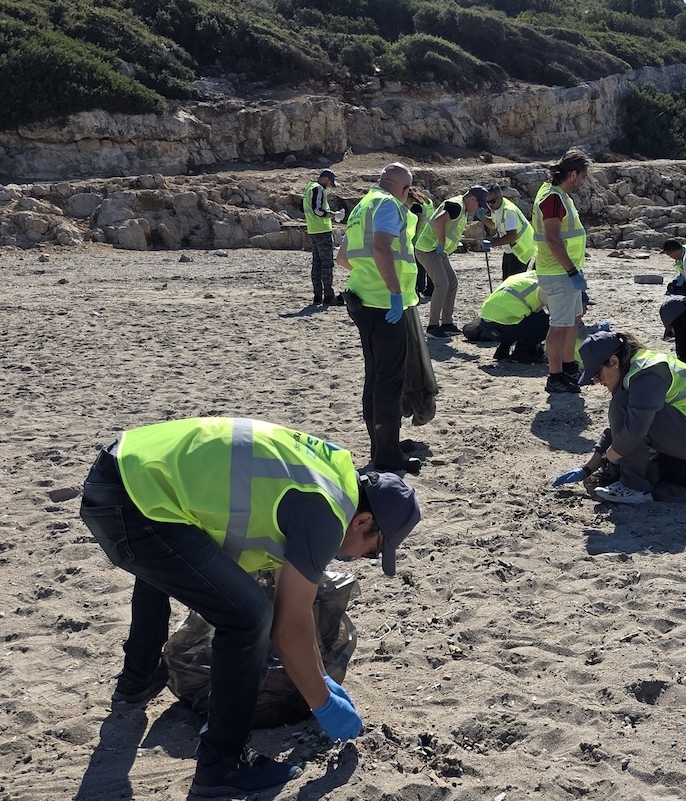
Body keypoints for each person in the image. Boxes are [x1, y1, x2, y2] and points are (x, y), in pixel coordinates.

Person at [77, 417, 422, 797]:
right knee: (247, 619)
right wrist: (322, 702)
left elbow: (294, 606)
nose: (363, 558)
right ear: (364, 521)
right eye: (373, 552)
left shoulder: (330, 473)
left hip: (124, 471)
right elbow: (287, 626)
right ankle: (221, 767)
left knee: (168, 560)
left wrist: (318, 672)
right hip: (129, 504)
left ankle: (138, 678)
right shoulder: (326, 512)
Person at [552, 331, 686, 504]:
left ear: (613, 361)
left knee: (623, 408)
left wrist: (612, 456)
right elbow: (617, 429)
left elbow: (634, 430)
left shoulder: (647, 372)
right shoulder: (634, 369)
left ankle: (634, 488)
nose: (598, 382)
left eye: (597, 375)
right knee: (626, 418)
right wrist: (588, 467)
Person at [335, 162, 422, 473]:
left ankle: (383, 444)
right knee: (388, 381)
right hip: (385, 305)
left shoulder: (363, 206)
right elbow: (382, 249)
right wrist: (394, 291)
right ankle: (386, 456)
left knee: (375, 377)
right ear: (403, 189)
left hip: (363, 300)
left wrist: (369, 276)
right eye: (408, 190)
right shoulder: (387, 205)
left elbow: (343, 258)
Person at [532, 148, 591, 394]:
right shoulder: (553, 198)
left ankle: (568, 367)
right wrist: (571, 272)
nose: (584, 182)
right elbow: (553, 239)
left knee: (572, 320)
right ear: (573, 174)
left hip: (565, 270)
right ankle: (555, 376)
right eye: (583, 176)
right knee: (559, 325)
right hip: (559, 272)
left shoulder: (558, 195)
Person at [415, 185, 488, 339]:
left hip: (438, 252)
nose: (478, 208)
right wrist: (441, 243)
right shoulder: (456, 205)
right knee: (442, 284)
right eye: (479, 204)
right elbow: (438, 221)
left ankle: (447, 323)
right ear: (473, 199)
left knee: (452, 283)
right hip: (428, 249)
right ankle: (432, 326)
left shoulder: (461, 208)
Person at [479, 270, 549, 363]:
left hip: (485, 325)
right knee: (550, 322)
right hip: (504, 329)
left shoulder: (520, 277)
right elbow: (557, 317)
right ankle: (521, 353)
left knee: (520, 313)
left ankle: (503, 349)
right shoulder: (544, 286)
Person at [483, 184, 535, 278]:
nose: (490, 204)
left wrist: (492, 243)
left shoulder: (509, 211)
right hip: (511, 249)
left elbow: (511, 236)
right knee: (506, 281)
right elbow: (494, 224)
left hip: (521, 250)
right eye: (487, 202)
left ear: (500, 197)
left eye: (492, 201)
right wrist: (483, 218)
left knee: (513, 284)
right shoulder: (496, 208)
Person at [302, 169, 338, 305]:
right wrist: (334, 215)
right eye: (329, 182)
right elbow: (318, 210)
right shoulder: (318, 189)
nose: (329, 185)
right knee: (327, 264)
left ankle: (317, 295)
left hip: (313, 230)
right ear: (325, 178)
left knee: (316, 264)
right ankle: (328, 296)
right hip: (322, 230)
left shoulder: (308, 188)